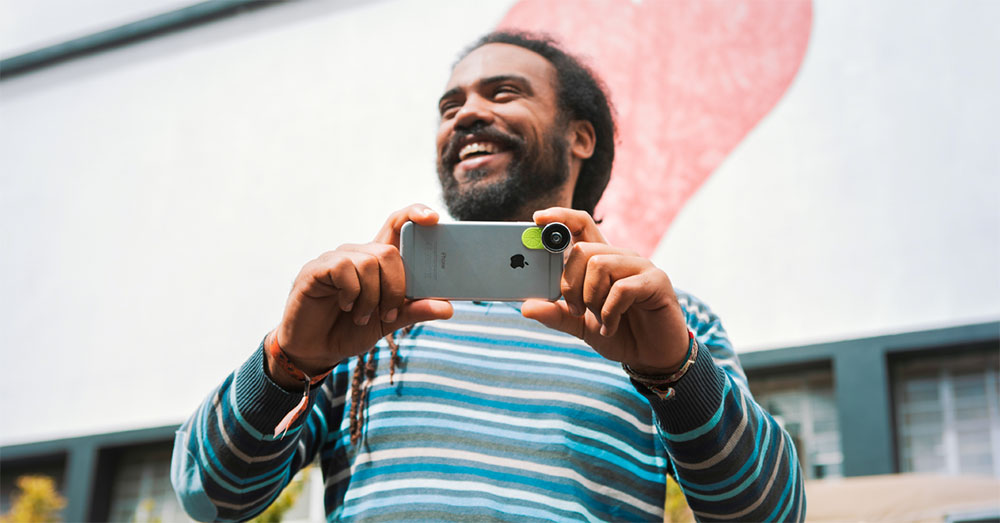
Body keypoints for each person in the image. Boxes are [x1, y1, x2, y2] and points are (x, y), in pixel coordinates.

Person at [171, 31, 806, 522]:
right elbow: (209, 498)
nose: (465, 114)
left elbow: (768, 514)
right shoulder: (365, 309)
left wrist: (675, 374)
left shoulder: (663, 320)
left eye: (503, 93)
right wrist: (285, 365)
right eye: (450, 105)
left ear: (581, 137)